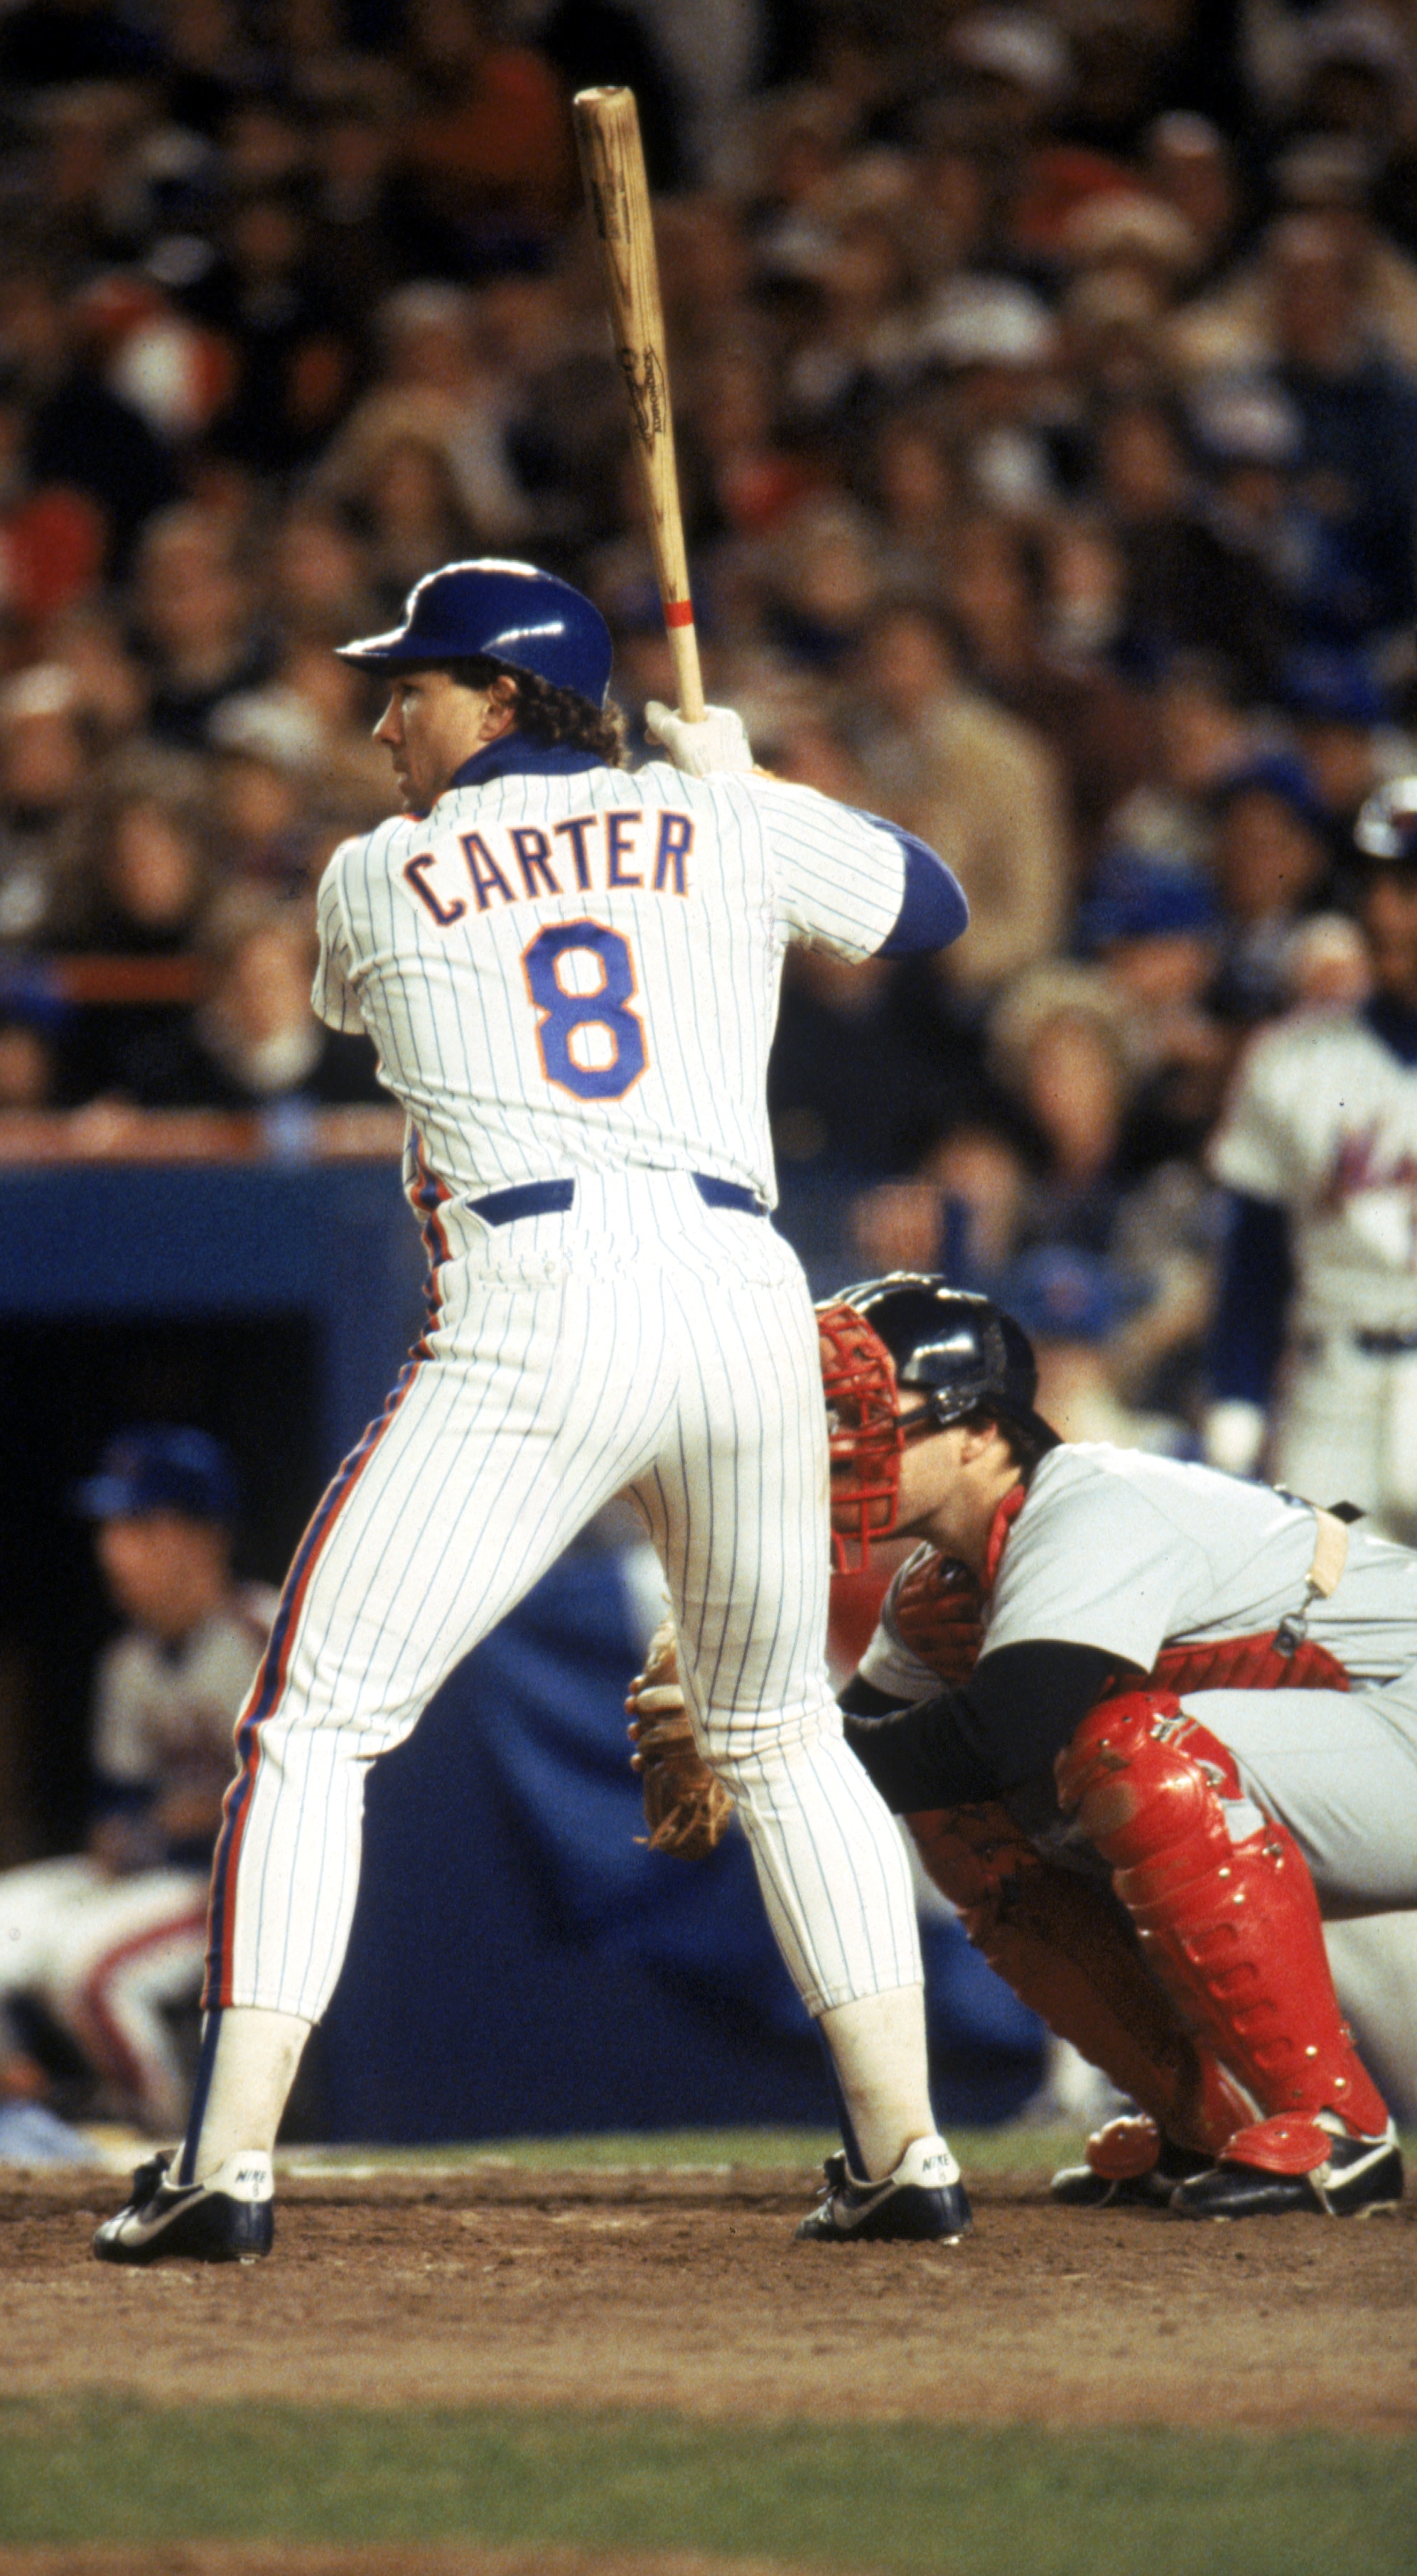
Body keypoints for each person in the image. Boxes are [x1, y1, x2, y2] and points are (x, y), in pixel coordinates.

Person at [92, 555, 974, 2263]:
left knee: (314, 1721)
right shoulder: (713, 819)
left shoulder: (374, 875)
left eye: (411, 685)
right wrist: (744, 793)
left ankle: (226, 2163)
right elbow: (926, 905)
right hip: (741, 1297)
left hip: (542, 1293)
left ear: (499, 697)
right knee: (781, 1729)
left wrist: (694, 813)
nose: (379, 717)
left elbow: (371, 995)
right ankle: (909, 2151)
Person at [632, 1273, 1416, 2220]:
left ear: (979, 1429)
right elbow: (869, 1754)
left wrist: (758, 1736)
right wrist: (743, 1738)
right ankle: (1205, 2124)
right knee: (959, 1810)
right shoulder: (940, 1586)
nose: (829, 1440)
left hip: (1397, 1714)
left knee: (1120, 1754)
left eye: (860, 1411)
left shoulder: (1090, 1502)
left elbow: (1002, 1733)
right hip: (1346, 1748)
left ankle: (1335, 2129)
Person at [0, 1427, 275, 2135]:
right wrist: (139, 1829)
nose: (113, 1548)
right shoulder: (127, 1663)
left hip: (243, 1887)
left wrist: (196, 1820)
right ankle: (30, 2127)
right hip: (152, 1879)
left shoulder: (267, 1634)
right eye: (111, 1527)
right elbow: (126, 1809)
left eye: (140, 1525)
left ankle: (178, 2150)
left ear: (205, 1537)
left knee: (89, 1971)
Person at [1206, 776, 1417, 1540]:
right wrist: (1235, 1413)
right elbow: (1254, 1267)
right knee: (1318, 1638)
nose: (1386, 911)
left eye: (1409, 886)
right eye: (1376, 885)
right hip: (1336, 1396)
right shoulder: (1291, 1061)